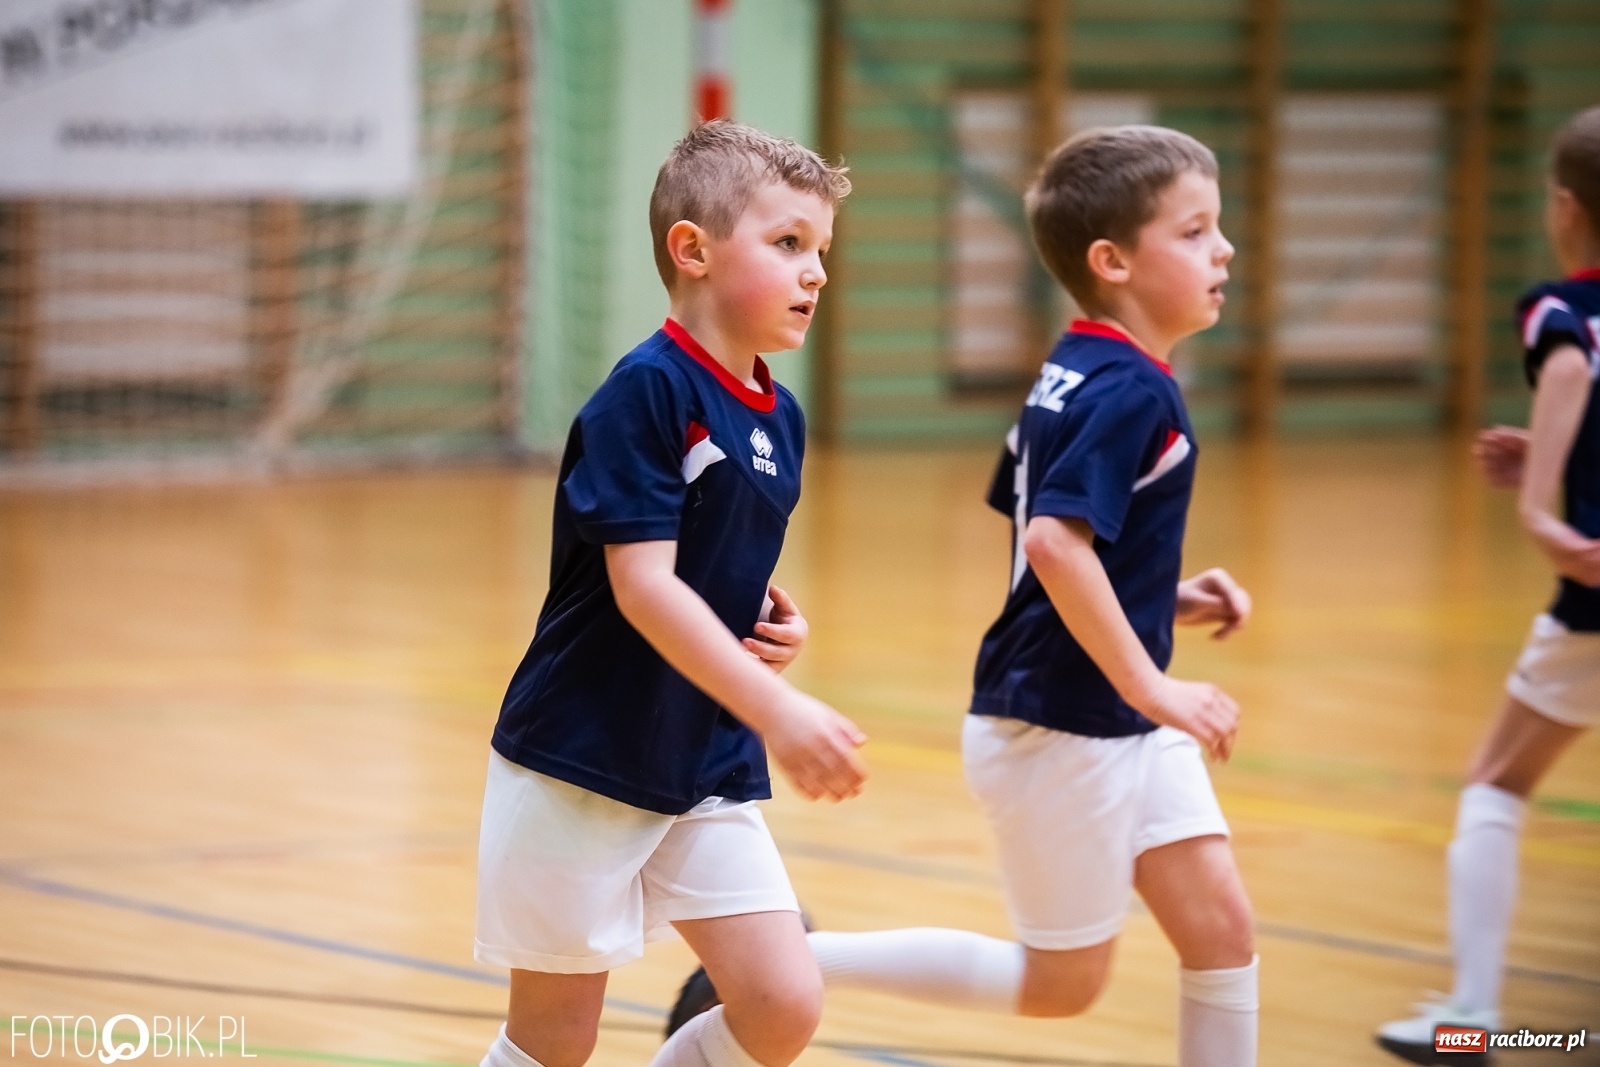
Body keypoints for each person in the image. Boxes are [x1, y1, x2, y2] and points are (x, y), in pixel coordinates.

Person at [668, 125, 1258, 1067]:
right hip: (1069, 720)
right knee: (1064, 984)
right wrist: (1159, 686)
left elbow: (1051, 532)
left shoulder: (1081, 366)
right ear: (1112, 261)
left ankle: (785, 962)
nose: (1223, 249)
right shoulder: (1128, 392)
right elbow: (1054, 543)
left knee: (1222, 930)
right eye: (1194, 232)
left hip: (1103, 702)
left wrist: (1162, 594)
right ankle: (790, 964)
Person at [473, 120, 867, 1067]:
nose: (815, 272)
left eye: (821, 250)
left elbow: (712, 561)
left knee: (782, 1002)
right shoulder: (646, 393)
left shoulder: (781, 413)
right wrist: (778, 708)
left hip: (701, 764)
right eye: (787, 245)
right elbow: (645, 586)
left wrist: (772, 625)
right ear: (692, 250)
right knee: (555, 1039)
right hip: (585, 758)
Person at [1375, 104, 1600, 1065]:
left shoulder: (1563, 310)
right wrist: (1556, 457)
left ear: (1563, 207)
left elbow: (1572, 368)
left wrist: (1542, 501)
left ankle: (1469, 1017)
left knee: (1496, 783)